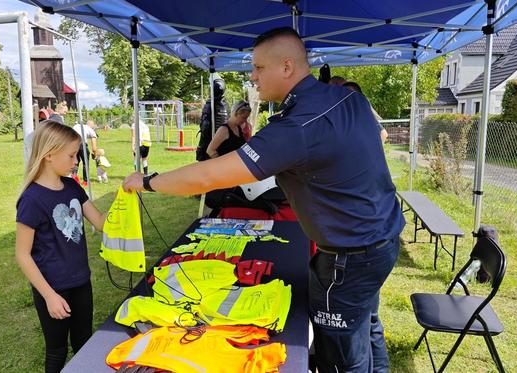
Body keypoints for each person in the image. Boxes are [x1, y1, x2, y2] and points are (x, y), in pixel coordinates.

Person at [122, 27, 404, 373]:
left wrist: (148, 181)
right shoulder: (349, 98)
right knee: (368, 324)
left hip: (350, 257)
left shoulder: (296, 126)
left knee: (345, 357)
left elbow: (209, 174)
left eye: (258, 68)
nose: (252, 77)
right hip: (383, 239)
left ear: (287, 66)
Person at [15, 120, 107, 373]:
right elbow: (22, 255)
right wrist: (49, 296)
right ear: (48, 155)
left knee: (84, 344)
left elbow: (100, 222)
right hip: (52, 289)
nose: (76, 160)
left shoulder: (72, 187)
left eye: (77, 154)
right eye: (71, 155)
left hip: (81, 282)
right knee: (57, 350)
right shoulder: (32, 199)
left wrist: (126, 198)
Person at [196, 74, 230, 161]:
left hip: (209, 143)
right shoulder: (226, 105)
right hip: (223, 142)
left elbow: (205, 126)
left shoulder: (210, 104)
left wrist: (201, 146)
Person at [73, 120, 101, 187]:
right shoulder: (91, 130)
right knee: (85, 163)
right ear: (92, 126)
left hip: (72, 144)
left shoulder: (76, 126)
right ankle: (85, 181)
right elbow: (94, 147)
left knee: (75, 162)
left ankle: (73, 178)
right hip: (82, 144)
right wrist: (95, 155)